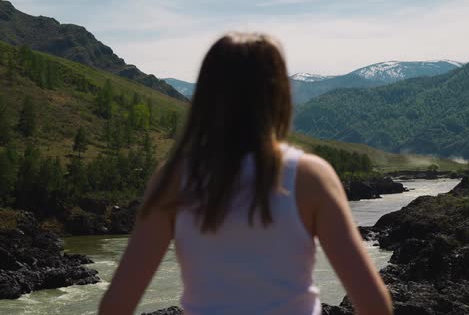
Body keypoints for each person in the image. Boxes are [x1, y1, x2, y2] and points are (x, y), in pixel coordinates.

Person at [98, 32, 392, 315]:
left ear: (206, 97)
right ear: (279, 96)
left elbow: (116, 306)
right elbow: (374, 305)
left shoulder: (174, 178)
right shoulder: (309, 176)